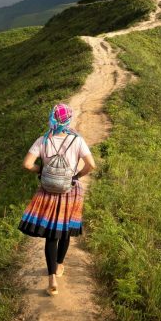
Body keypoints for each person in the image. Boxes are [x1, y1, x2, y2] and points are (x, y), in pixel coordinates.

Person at [18, 103, 96, 296]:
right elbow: (91, 165)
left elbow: (27, 164)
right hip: (69, 191)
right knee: (65, 231)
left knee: (51, 235)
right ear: (68, 119)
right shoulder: (77, 141)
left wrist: (42, 171)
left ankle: (51, 276)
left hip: (47, 191)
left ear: (51, 118)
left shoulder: (43, 140)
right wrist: (76, 176)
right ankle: (59, 265)